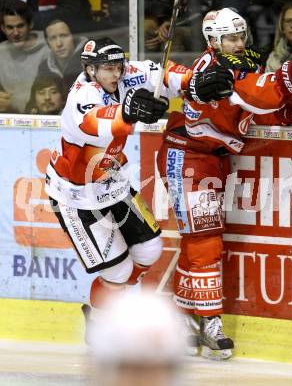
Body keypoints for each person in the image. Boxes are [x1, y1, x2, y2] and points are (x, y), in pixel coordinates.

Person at [156, 7, 292, 360]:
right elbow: (251, 95)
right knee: (205, 239)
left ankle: (186, 316)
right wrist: (285, 81)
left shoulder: (242, 62)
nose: (240, 41)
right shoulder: (211, 69)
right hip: (186, 157)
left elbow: (255, 104)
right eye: (232, 37)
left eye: (241, 35)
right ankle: (211, 320)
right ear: (213, 41)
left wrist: (291, 109)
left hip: (208, 159)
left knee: (197, 238)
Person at [44, 37, 233, 332]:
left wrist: (196, 82)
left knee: (150, 250)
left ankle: (116, 305)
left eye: (118, 66)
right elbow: (98, 122)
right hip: (76, 196)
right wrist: (129, 111)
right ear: (90, 70)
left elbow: (167, 75)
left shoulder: (129, 72)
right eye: (107, 68)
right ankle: (100, 319)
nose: (116, 74)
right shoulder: (80, 96)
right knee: (118, 272)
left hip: (112, 183)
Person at [0, 0, 49, 113]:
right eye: (10, 27)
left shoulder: (49, 47)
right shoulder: (0, 52)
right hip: (10, 120)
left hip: (44, 117)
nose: (16, 33)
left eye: (20, 26)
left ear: (30, 24)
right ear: (2, 28)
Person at [38, 19, 87, 90]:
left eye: (64, 36)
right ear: (48, 42)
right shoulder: (44, 67)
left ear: (73, 36)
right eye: (53, 38)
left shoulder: (89, 60)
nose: (59, 44)